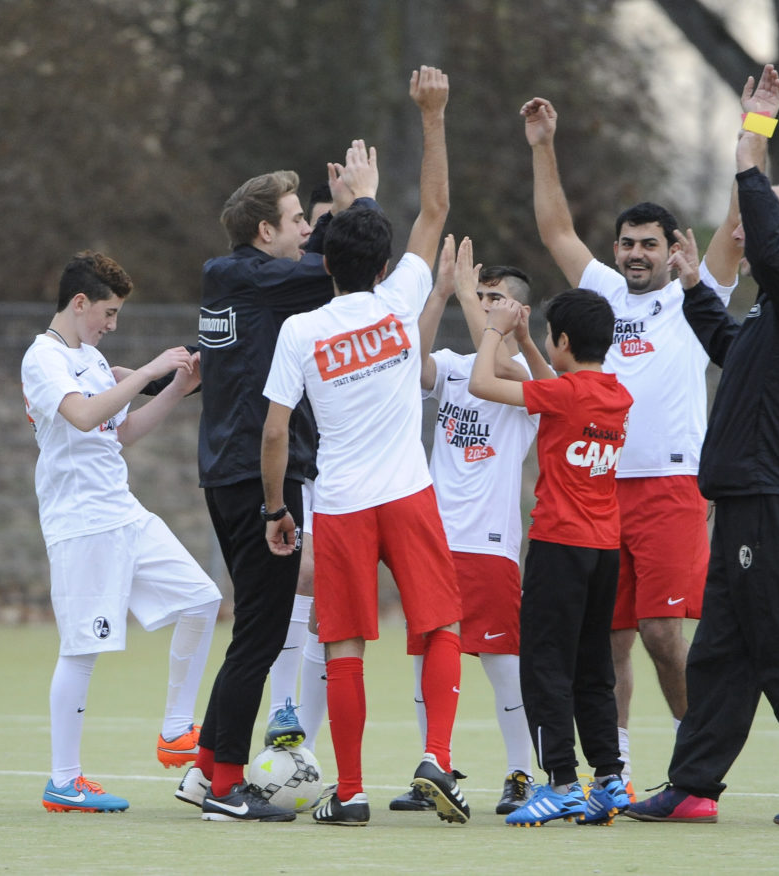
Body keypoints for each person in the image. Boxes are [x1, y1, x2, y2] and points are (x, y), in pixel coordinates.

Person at [625, 66, 779, 828]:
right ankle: (695, 785)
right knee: (721, 654)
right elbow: (730, 347)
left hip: (772, 499)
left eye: (751, 226)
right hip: (745, 500)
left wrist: (751, 145)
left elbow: (766, 238)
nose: (740, 230)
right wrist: (698, 285)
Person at [519, 68, 779, 793]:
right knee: (611, 640)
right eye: (626, 243)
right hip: (599, 489)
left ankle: (697, 769)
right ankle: (619, 769)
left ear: (673, 248)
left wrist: (753, 129)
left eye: (647, 244)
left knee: (667, 635)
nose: (634, 253)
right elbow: (555, 231)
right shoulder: (601, 290)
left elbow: (738, 221)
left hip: (669, 486)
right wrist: (544, 145)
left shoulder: (698, 294)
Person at [262, 66, 470, 827]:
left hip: (343, 502)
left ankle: (347, 793)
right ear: (384, 267)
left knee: (343, 647)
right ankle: (436, 757)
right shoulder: (398, 300)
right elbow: (438, 207)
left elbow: (277, 428)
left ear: (323, 264)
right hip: (408, 495)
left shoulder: (302, 329)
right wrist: (433, 115)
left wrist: (276, 508)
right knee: (441, 626)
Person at [175, 141, 380, 822]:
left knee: (253, 631)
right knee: (262, 636)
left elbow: (310, 260)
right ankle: (229, 784)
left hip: (224, 474)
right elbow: (342, 270)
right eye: (294, 218)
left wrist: (328, 215)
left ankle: (207, 770)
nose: (303, 228)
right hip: (259, 477)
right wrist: (361, 205)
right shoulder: (261, 281)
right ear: (265, 234)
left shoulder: (233, 276)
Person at [22, 251, 222, 813]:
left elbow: (120, 431)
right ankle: (64, 780)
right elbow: (83, 417)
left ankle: (176, 729)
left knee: (201, 600)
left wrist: (176, 389)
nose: (112, 325)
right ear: (80, 303)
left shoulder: (89, 357)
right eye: (108, 313)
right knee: (82, 649)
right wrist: (151, 369)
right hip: (81, 522)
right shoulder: (44, 357)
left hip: (123, 512)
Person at [469, 288, 634, 827]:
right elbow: (557, 384)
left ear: (563, 341)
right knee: (592, 668)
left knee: (544, 668)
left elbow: (481, 383)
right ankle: (609, 779)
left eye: (546, 337)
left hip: (560, 547)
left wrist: (494, 328)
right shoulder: (615, 394)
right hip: (603, 551)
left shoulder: (565, 396)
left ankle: (561, 783)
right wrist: (524, 340)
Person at [389, 237, 538, 815]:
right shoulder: (453, 367)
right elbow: (414, 356)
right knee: (428, 663)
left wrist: (484, 313)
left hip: (489, 545)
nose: (483, 305)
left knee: (504, 667)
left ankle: (521, 772)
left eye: (495, 298)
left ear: (519, 312)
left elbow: (494, 358)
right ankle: (437, 766)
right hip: (433, 539)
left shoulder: (519, 370)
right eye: (480, 298)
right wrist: (441, 291)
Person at [261, 180, 336, 755]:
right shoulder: (288, 299)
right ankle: (282, 713)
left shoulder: (366, 304)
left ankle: (303, 746)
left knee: (333, 607)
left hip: (358, 467)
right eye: (310, 222)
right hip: (306, 463)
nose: (316, 235)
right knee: (302, 578)